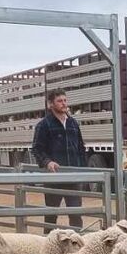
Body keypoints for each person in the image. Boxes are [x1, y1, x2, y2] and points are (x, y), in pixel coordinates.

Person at [31, 88, 86, 228]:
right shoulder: (44, 125)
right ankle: (49, 245)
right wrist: (47, 162)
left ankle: (77, 243)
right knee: (51, 215)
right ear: (51, 104)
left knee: (75, 214)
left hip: (73, 177)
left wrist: (83, 172)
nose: (63, 103)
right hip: (53, 177)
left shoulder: (73, 124)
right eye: (59, 101)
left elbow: (81, 148)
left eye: (65, 100)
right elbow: (37, 149)